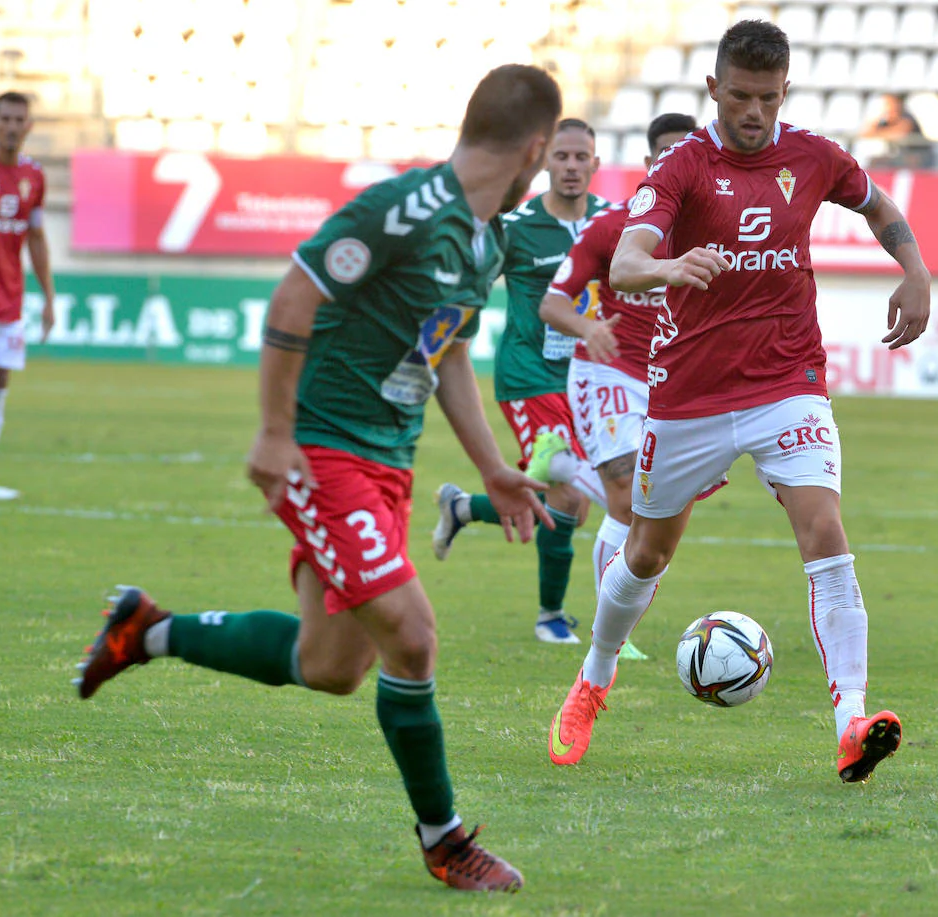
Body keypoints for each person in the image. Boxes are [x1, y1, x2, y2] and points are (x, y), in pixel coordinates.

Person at [74, 64, 564, 893]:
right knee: (411, 633)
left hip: (388, 463)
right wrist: (274, 431)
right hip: (322, 448)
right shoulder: (406, 209)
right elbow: (294, 295)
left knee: (333, 664)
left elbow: (441, 353)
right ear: (537, 148)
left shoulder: (489, 243)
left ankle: (145, 630)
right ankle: (445, 841)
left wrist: (492, 467)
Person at [547, 20, 932, 785]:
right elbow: (624, 264)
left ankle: (851, 721)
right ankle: (593, 678)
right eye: (741, 96)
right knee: (648, 550)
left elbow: (878, 204)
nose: (754, 112)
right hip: (688, 394)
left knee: (825, 528)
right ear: (713, 91)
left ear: (784, 91)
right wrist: (671, 264)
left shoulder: (813, 154)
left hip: (788, 383)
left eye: (768, 97)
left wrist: (914, 267)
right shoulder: (684, 168)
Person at [430, 118, 635, 651]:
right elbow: (471, 278)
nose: (570, 166)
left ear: (595, 164)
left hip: (589, 380)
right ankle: (550, 617)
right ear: (546, 162)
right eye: (561, 156)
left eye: (580, 157)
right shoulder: (517, 227)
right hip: (527, 376)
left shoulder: (613, 223)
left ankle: (464, 508)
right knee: (567, 494)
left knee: (579, 499)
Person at [534, 112, 700, 592]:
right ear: (650, 162)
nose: (679, 165)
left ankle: (566, 467)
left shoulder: (715, 232)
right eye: (668, 155)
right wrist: (587, 327)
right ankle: (609, 639)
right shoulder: (612, 228)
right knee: (629, 503)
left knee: (651, 511)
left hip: (669, 384)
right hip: (607, 371)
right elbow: (552, 303)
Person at [0, 90, 56, 499]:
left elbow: (35, 236)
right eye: (6, 119)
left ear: (29, 127)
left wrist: (49, 297)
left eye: (20, 120)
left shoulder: (33, 177)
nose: (13, 127)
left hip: (9, 294)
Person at [859, 92, 934, 170]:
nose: (888, 107)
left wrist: (879, 133)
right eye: (886, 104)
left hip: (919, 156)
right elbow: (866, 133)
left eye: (890, 103)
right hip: (899, 157)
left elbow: (900, 131)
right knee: (874, 161)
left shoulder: (907, 117)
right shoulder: (886, 120)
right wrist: (880, 116)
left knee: (911, 160)